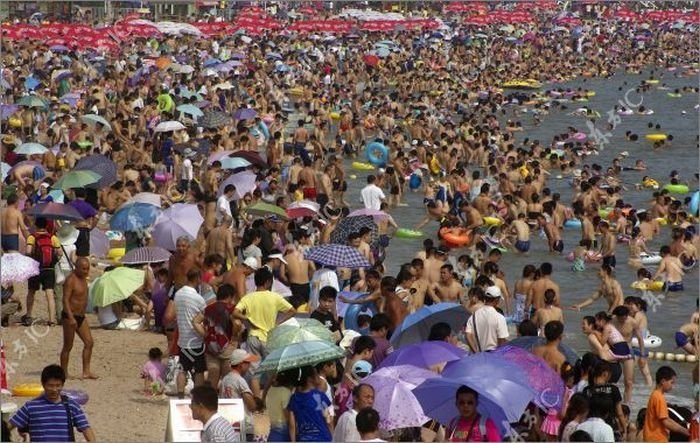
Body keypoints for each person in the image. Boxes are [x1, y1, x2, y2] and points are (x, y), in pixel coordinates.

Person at [8, 364, 95, 442]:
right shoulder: (30, 407)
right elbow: (8, 426)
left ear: (62, 385)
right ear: (43, 384)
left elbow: (86, 429)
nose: (54, 390)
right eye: (50, 385)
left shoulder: (71, 405)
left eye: (58, 385)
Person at [234, 267, 296, 360]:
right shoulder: (275, 297)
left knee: (253, 368)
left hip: (253, 338)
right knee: (270, 368)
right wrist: (278, 323)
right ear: (268, 282)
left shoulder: (248, 297)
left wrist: (247, 319)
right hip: (268, 338)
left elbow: (235, 312)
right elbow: (293, 311)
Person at [192, 283, 241, 388]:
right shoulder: (231, 309)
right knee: (228, 377)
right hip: (227, 347)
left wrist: (205, 334)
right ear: (229, 296)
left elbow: (195, 322)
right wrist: (234, 336)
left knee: (212, 377)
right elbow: (237, 324)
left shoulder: (208, 308)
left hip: (211, 347)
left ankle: (211, 399)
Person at [60, 257, 97, 380]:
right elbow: (65, 300)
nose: (86, 271)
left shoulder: (83, 279)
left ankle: (86, 371)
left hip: (81, 316)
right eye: (84, 269)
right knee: (68, 346)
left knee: (89, 343)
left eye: (88, 269)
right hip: (69, 316)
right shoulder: (71, 280)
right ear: (77, 268)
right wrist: (71, 318)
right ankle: (64, 372)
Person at [174, 268, 207, 398]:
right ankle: (197, 395)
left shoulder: (178, 294)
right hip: (195, 339)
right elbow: (204, 315)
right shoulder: (198, 298)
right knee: (199, 371)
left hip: (182, 338)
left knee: (183, 369)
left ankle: (180, 394)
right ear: (198, 279)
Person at [24, 217, 62, 326]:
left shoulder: (32, 237)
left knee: (31, 292)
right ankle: (51, 320)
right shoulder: (52, 237)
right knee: (49, 293)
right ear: (46, 226)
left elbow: (28, 251)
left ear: (36, 226)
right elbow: (59, 253)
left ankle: (28, 316)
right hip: (49, 268)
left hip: (35, 268)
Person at [220, 349, 260, 441]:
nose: (249, 365)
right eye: (248, 363)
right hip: (244, 426)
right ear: (241, 364)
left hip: (228, 425)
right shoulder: (240, 381)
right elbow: (252, 406)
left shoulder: (225, 380)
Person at [643, 366, 690, 442]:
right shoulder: (659, 397)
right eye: (671, 382)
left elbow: (666, 419)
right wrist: (686, 431)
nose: (672, 386)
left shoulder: (655, 394)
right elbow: (666, 422)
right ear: (663, 381)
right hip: (656, 439)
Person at [288, 365, 333, 442]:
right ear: (310, 379)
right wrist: (333, 437)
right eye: (315, 374)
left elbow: (292, 425)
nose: (318, 376)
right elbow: (328, 420)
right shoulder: (319, 396)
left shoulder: (294, 399)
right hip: (323, 438)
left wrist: (293, 441)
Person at [465, 286, 509, 352]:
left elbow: (468, 334)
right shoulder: (499, 317)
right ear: (497, 300)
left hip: (479, 355)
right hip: (493, 356)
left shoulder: (474, 316)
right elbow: (502, 340)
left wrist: (475, 352)